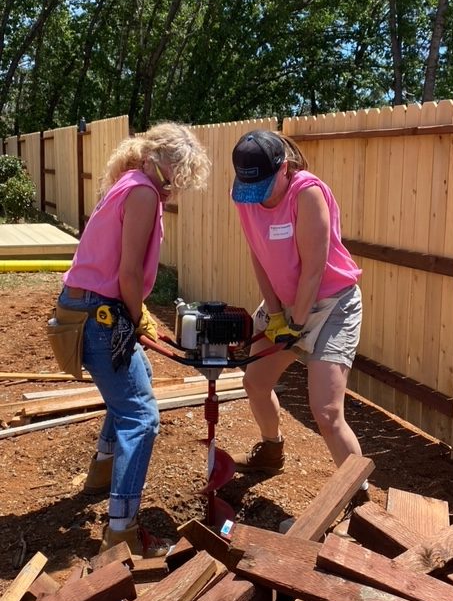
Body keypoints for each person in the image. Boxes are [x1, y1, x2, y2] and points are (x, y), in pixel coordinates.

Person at [55, 122, 210, 557]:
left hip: (88, 305)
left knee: (134, 378)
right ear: (164, 165)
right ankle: (121, 530)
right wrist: (138, 315)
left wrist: (134, 316)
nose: (177, 188)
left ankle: (102, 473)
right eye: (179, 177)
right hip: (100, 313)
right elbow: (126, 274)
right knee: (141, 418)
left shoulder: (129, 182)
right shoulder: (143, 192)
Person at [229, 129, 370, 510]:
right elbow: (259, 256)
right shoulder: (247, 192)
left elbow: (313, 269)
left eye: (264, 185)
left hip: (331, 305)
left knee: (326, 411)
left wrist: (295, 325)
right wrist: (275, 314)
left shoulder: (307, 193)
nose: (257, 195)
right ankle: (271, 450)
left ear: (285, 168)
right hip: (288, 303)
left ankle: (360, 503)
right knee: (255, 382)